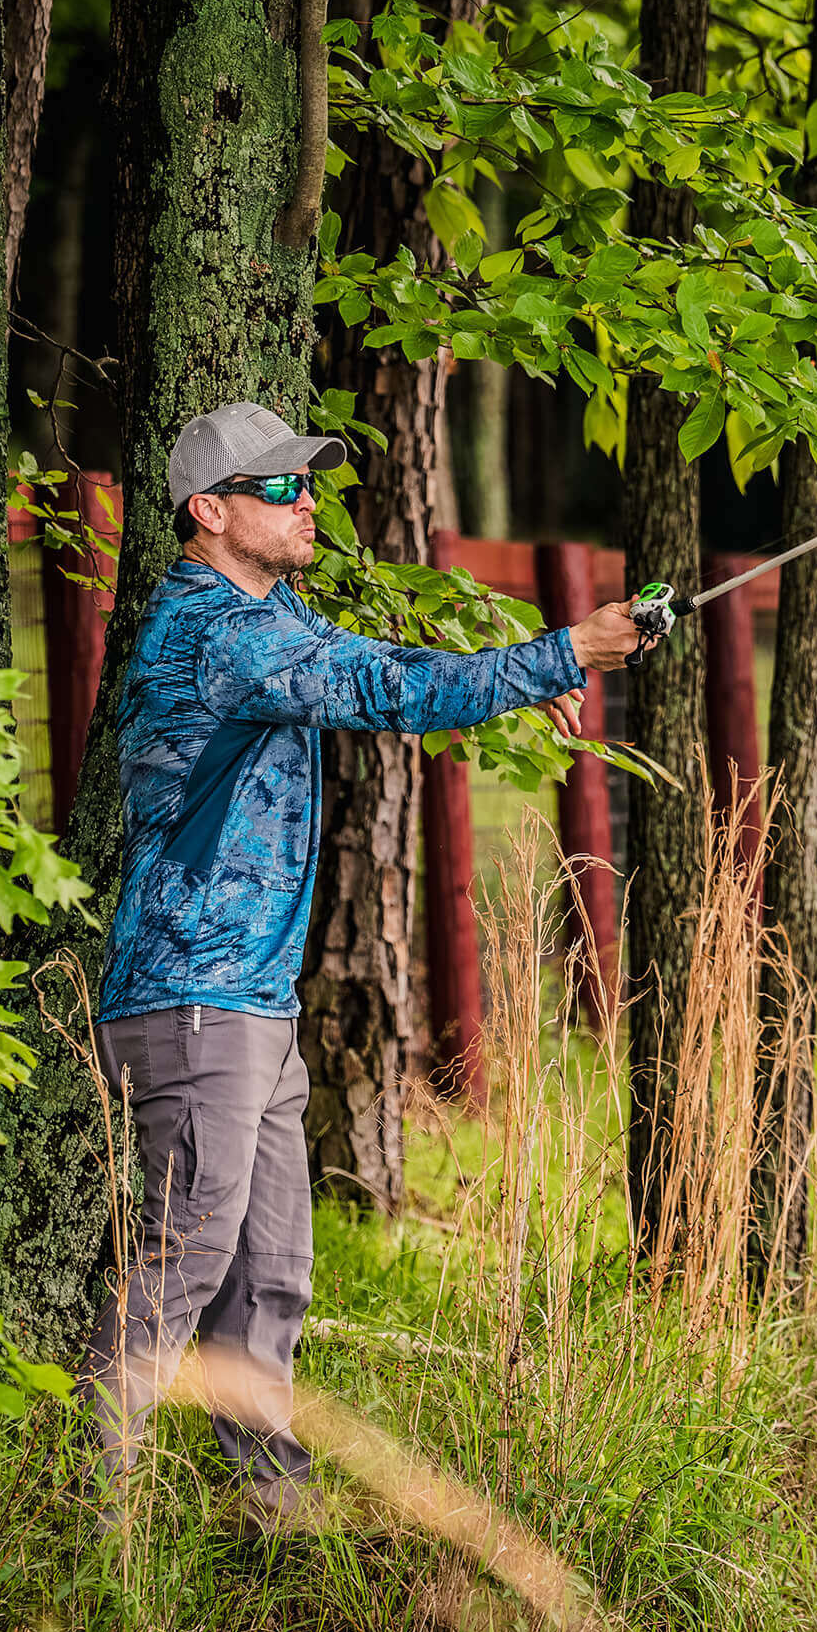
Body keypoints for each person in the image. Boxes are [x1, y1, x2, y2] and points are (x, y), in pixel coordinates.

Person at [81, 400, 654, 1531]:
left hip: (251, 1003)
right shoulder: (218, 634)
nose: (308, 503)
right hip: (194, 1002)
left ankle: (272, 1520)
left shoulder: (270, 618)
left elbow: (379, 663)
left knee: (270, 1277)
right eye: (282, 487)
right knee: (178, 1271)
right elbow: (387, 686)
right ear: (209, 511)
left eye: (310, 484)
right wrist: (564, 652)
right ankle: (87, 1519)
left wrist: (533, 674)